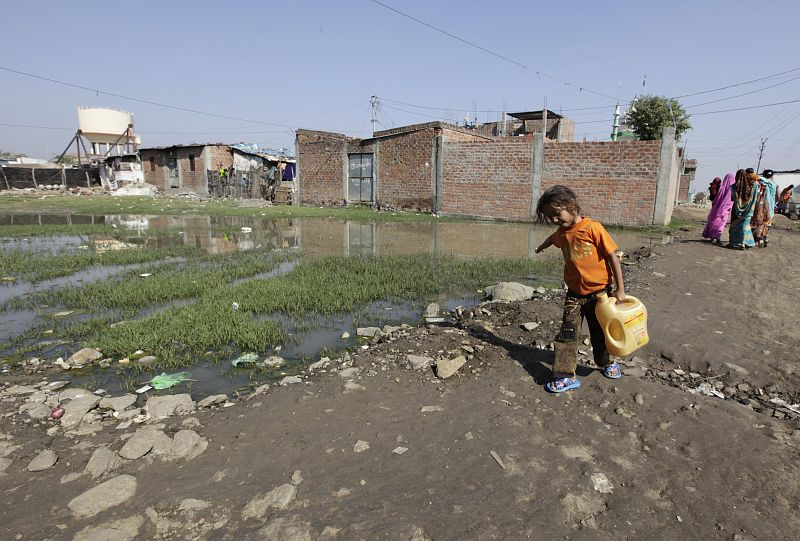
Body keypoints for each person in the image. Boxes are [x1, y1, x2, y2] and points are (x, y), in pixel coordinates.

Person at [534, 185, 626, 393]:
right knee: (567, 333)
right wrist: (542, 245)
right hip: (574, 295)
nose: (554, 220)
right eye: (550, 217)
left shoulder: (592, 228)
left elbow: (612, 256)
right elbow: (553, 237)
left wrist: (620, 289)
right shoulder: (562, 232)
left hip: (600, 294)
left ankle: (606, 362)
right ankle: (564, 375)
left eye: (557, 214)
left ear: (572, 206)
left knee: (600, 330)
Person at [701, 172, 735, 244]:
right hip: (725, 210)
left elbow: (712, 198)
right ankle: (716, 237)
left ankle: (712, 236)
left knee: (714, 221)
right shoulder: (732, 189)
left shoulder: (720, 188)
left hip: (716, 208)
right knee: (721, 224)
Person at [729, 169, 759, 249]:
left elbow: (732, 199)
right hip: (749, 210)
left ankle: (735, 242)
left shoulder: (733, 187)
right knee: (745, 226)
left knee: (735, 226)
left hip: (736, 210)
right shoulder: (754, 185)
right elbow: (756, 198)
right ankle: (745, 243)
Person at [751, 169, 777, 247]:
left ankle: (757, 238)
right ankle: (763, 238)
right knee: (767, 223)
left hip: (759, 206)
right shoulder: (773, 184)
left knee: (758, 222)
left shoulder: (759, 183)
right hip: (769, 207)